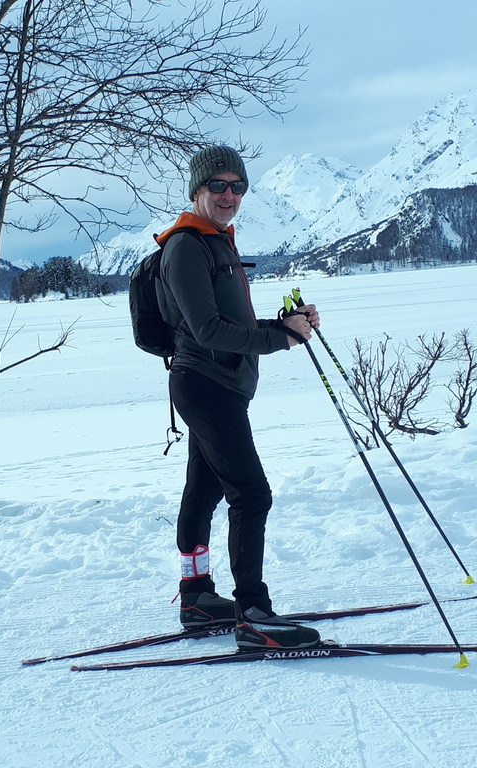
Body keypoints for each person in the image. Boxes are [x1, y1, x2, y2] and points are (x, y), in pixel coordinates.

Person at [155, 146, 321, 651]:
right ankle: (253, 612)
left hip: (219, 384)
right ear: (197, 191)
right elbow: (207, 331)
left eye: (238, 187)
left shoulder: (217, 242)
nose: (229, 195)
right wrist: (279, 339)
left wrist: (282, 326)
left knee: (204, 493)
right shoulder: (187, 246)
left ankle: (197, 598)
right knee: (252, 494)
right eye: (219, 186)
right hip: (206, 385)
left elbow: (234, 326)